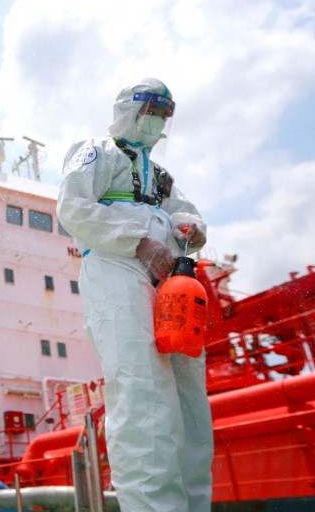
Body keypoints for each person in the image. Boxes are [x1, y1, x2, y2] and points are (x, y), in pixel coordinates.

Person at [56, 79, 213, 512]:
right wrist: (139, 241)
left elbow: (183, 210)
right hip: (118, 269)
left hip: (170, 279)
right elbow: (73, 207)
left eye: (165, 114)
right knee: (142, 390)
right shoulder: (96, 151)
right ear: (128, 109)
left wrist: (191, 228)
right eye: (152, 111)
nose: (158, 121)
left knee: (190, 401)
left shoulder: (159, 175)